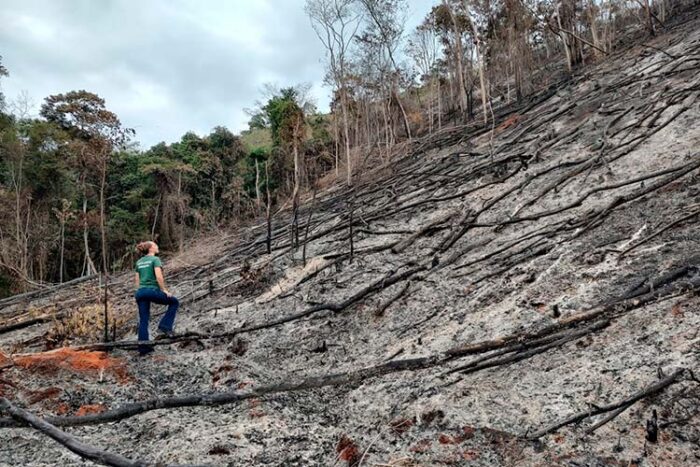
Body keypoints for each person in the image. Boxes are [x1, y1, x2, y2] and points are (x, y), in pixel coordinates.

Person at [133, 241, 179, 355]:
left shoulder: (139, 262)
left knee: (143, 320)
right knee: (174, 302)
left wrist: (139, 292)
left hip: (140, 292)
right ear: (151, 249)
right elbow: (159, 276)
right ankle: (165, 326)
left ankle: (143, 349)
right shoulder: (155, 260)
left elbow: (137, 281)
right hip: (151, 290)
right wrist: (164, 290)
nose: (157, 246)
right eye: (155, 245)